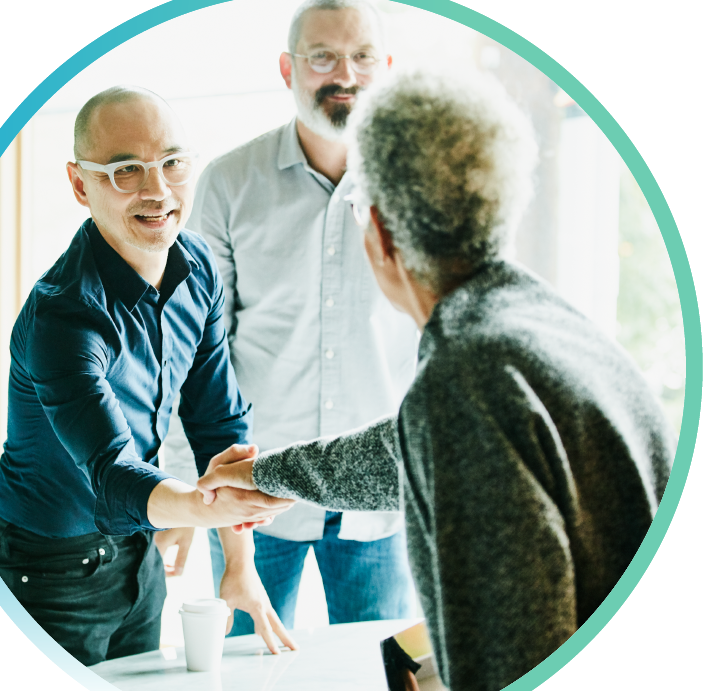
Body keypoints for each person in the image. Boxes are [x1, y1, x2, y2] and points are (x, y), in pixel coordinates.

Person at [196, 71, 676, 690]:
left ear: (382, 235)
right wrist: (264, 474)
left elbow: (512, 660)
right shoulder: (535, 322)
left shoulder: (466, 382)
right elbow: (402, 453)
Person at [0, 86, 296, 667]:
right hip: (43, 573)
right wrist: (205, 509)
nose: (157, 191)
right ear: (81, 184)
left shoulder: (197, 266)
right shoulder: (64, 316)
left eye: (172, 163)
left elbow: (218, 423)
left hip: (139, 554)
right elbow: (112, 474)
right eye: (126, 171)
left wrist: (240, 562)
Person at [161, 0, 419, 634]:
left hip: (381, 497)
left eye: (362, 57)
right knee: (248, 668)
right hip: (252, 490)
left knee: (383, 669)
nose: (345, 74)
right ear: (288, 69)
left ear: (385, 65)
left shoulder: (419, 185)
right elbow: (191, 349)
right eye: (323, 57)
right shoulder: (228, 183)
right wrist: (175, 489)